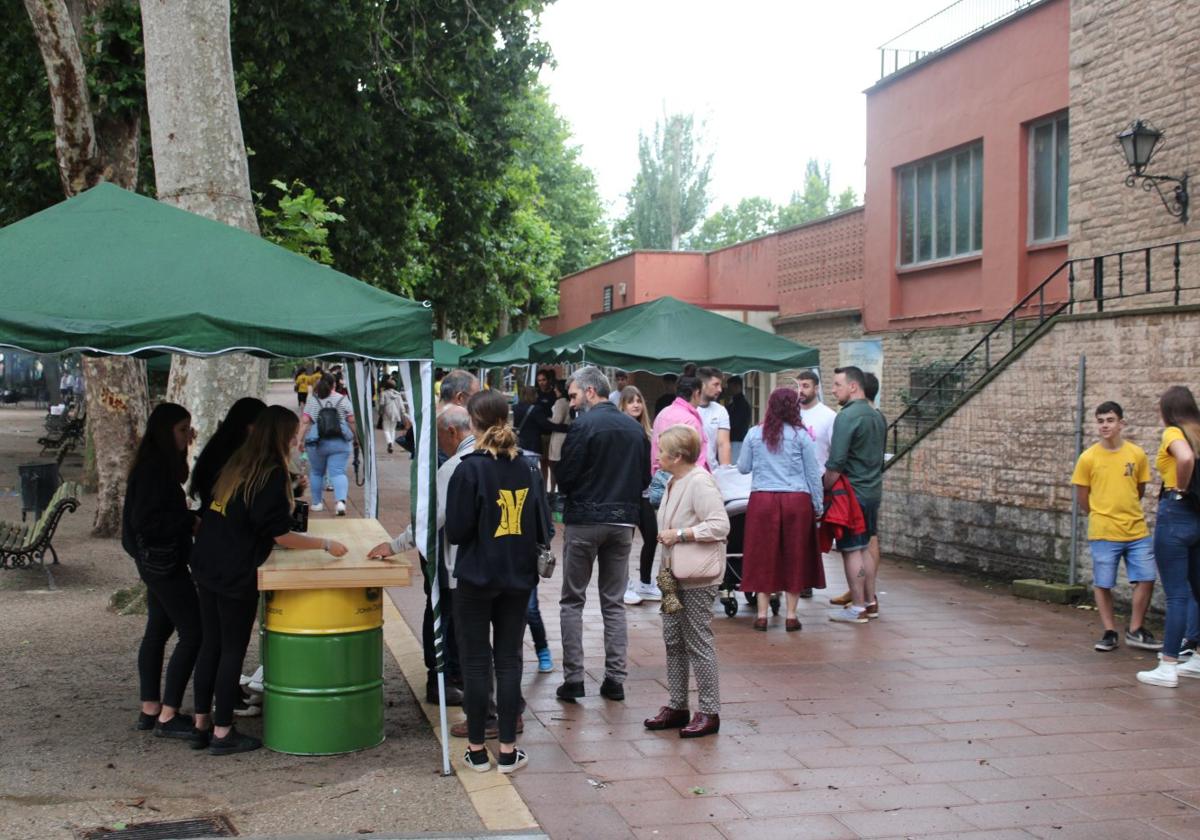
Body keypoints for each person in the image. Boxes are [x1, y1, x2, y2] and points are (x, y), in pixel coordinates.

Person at [191, 405, 348, 754]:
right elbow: (280, 534)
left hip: (207, 562)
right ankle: (222, 732)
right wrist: (326, 544)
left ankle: (201, 724)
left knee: (211, 645)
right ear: (282, 437)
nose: (298, 441)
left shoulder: (239, 462)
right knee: (231, 648)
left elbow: (249, 511)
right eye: (294, 436)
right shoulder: (270, 472)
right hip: (234, 570)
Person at [444, 390, 550, 773]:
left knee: (475, 665)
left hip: (475, 576)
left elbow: (456, 531)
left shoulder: (468, 468)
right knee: (509, 662)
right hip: (518, 576)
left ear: (473, 423)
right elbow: (542, 524)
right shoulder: (528, 466)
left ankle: (475, 750)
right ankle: (507, 750)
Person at [556, 366, 650, 703]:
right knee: (613, 603)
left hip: (585, 518)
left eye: (574, 395)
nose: (573, 402)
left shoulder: (583, 425)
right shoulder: (633, 428)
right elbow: (643, 478)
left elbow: (565, 474)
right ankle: (614, 679)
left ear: (591, 391)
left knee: (572, 600)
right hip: (622, 521)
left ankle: (574, 678)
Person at [370, 407, 471, 706]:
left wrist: (395, 545)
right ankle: (455, 677)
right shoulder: (494, 459)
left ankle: (440, 679)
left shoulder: (454, 467)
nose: (439, 444)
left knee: (443, 613)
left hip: (455, 560)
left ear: (452, 431)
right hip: (485, 562)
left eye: (440, 436)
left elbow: (431, 519)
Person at [122, 403, 205, 744]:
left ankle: (150, 707)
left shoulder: (154, 466)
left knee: (158, 629)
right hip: (162, 562)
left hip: (154, 560)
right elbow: (147, 522)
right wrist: (188, 520)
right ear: (165, 431)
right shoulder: (153, 469)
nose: (188, 436)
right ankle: (168, 715)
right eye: (183, 430)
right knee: (195, 632)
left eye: (188, 429)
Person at [646, 424, 729, 738]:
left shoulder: (699, 482)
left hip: (696, 576)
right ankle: (677, 704)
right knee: (672, 638)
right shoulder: (673, 481)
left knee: (697, 640)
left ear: (678, 456)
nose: (658, 456)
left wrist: (681, 534)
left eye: (663, 451)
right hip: (669, 573)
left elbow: (720, 526)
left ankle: (709, 710)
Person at [1071, 401, 1159, 652]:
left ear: (1121, 423)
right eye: (1100, 421)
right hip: (1104, 531)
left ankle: (1135, 628)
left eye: (1110, 420)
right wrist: (1099, 514)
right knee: (1103, 582)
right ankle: (1109, 630)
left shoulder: (1136, 454)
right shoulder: (1088, 458)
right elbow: (1082, 494)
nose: (1105, 425)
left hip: (1136, 529)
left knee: (1146, 577)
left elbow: (1139, 488)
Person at [736, 387, 824, 631]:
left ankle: (762, 615)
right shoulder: (802, 437)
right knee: (795, 556)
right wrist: (817, 505)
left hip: (763, 501)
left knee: (763, 556)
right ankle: (791, 616)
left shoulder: (754, 434)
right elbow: (813, 474)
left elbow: (743, 467)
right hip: (797, 501)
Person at [1138, 387, 1200, 687]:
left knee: (1176, 594)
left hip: (1175, 515)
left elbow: (1185, 458)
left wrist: (1181, 488)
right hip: (1197, 518)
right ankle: (1198, 658)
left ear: (1168, 410)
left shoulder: (1173, 433)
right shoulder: (1198, 431)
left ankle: (1168, 665)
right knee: (1197, 591)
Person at [825, 366, 886, 624]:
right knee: (866, 548)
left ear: (853, 386)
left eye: (837, 384)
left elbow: (836, 461)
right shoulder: (876, 415)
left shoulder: (847, 416)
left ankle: (857, 607)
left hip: (852, 493)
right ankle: (870, 603)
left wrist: (825, 487)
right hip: (873, 490)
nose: (833, 389)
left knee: (851, 550)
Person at [619, 386, 663, 605]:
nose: (636, 404)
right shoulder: (620, 431)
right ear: (623, 406)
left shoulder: (648, 432)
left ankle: (645, 583)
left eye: (638, 400)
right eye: (630, 401)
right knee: (624, 542)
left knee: (652, 536)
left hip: (644, 493)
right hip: (626, 494)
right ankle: (624, 584)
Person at [189, 398, 269, 512]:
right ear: (247, 425)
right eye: (261, 426)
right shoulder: (224, 455)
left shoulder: (220, 447)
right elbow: (216, 502)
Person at [301, 373, 357, 515]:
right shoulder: (342, 399)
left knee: (317, 472)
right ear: (334, 385)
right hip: (339, 442)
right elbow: (351, 420)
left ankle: (317, 503)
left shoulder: (313, 400)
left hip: (317, 442)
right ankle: (340, 503)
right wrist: (357, 438)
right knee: (338, 472)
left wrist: (299, 439)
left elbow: (305, 421)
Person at [651, 376, 709, 472]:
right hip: (684, 479)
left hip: (660, 476)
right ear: (696, 393)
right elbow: (696, 461)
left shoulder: (662, 413)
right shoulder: (691, 420)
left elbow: (654, 451)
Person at [796, 371, 836, 471]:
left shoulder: (829, 416)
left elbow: (836, 453)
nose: (800, 390)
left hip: (819, 478)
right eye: (798, 386)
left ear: (816, 389)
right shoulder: (790, 414)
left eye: (805, 386)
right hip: (793, 481)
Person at [696, 367, 732, 467]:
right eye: (716, 384)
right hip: (688, 475)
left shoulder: (721, 410)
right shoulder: (684, 410)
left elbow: (723, 445)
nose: (720, 389)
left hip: (712, 473)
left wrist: (725, 474)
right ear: (702, 385)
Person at [546, 381, 571, 495]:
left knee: (556, 465)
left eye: (556, 388)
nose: (554, 390)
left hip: (558, 437)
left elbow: (557, 421)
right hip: (566, 435)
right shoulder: (568, 401)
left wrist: (547, 420)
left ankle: (553, 491)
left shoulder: (560, 402)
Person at [725, 375, 752, 462]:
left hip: (737, 440)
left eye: (730, 387)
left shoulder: (741, 404)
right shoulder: (734, 403)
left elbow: (734, 423)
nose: (728, 389)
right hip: (735, 440)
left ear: (737, 386)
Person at [378, 378, 406, 455]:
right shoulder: (398, 394)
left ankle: (389, 442)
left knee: (386, 429)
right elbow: (401, 405)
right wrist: (403, 413)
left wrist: (380, 411)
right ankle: (391, 444)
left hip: (386, 413)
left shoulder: (383, 393)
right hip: (396, 413)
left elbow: (381, 404)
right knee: (393, 430)